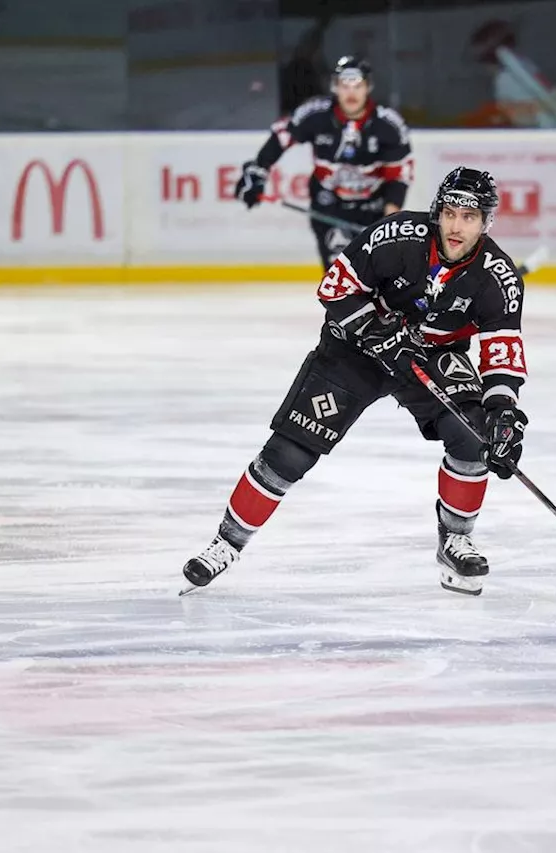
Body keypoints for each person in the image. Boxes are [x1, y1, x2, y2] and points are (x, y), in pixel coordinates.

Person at [183, 167, 529, 597]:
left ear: (487, 223)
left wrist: (504, 413)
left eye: (470, 217)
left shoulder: (499, 276)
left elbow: (502, 354)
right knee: (291, 450)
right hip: (357, 349)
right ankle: (225, 544)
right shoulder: (396, 234)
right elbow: (336, 288)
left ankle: (455, 539)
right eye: (451, 212)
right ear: (437, 211)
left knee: (474, 433)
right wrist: (376, 331)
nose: (457, 226)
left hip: (431, 356)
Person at [235, 56, 413, 268]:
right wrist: (258, 170)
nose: (351, 93)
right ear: (335, 87)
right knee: (339, 277)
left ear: (368, 87)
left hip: (373, 207)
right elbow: (281, 137)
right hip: (329, 205)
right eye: (344, 85)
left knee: (379, 275)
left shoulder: (389, 125)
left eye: (357, 85)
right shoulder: (315, 114)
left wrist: (389, 222)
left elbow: (398, 176)